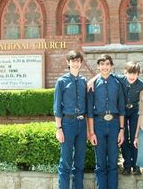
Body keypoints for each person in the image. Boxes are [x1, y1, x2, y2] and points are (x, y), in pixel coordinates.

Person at [88, 62, 143, 176]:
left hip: (134, 112)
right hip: (121, 112)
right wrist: (92, 80)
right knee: (123, 139)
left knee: (134, 138)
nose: (132, 76)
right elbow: (104, 73)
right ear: (125, 73)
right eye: (129, 73)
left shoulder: (142, 84)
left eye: (135, 74)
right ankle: (127, 165)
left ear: (138, 74)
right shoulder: (120, 79)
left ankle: (136, 166)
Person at [87, 54, 125, 189]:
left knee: (113, 163)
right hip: (99, 125)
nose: (105, 67)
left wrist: (121, 130)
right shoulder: (92, 85)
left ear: (112, 66)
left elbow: (121, 109)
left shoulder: (117, 83)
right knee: (100, 163)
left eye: (107, 64)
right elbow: (89, 111)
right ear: (98, 66)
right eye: (102, 64)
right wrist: (91, 132)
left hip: (114, 125)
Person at [53, 50, 88, 189]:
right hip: (67, 124)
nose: (76, 63)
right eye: (73, 61)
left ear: (81, 63)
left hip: (81, 124)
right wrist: (59, 129)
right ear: (68, 62)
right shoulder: (61, 82)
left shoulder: (84, 81)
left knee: (79, 162)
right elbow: (57, 107)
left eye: (78, 61)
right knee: (66, 162)